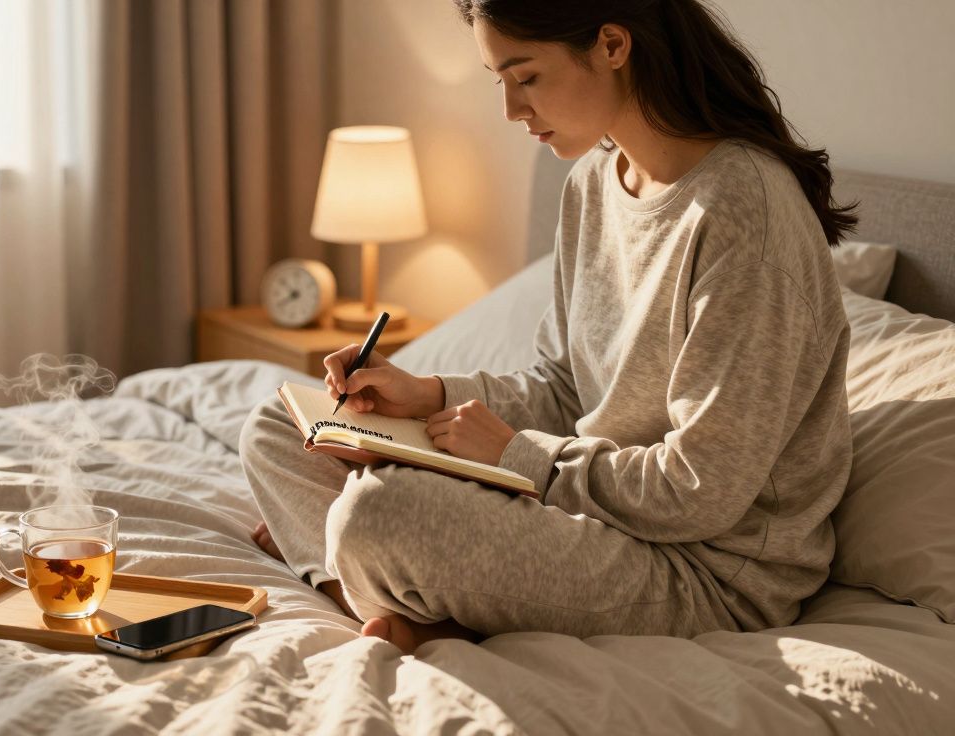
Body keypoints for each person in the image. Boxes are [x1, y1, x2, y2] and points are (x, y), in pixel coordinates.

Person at [240, 0, 856, 655]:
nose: (512, 109)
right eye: (499, 81)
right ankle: (374, 592)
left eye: (527, 77)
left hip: (704, 569)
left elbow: (699, 492)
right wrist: (428, 398)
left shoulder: (744, 215)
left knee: (376, 512)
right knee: (279, 427)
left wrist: (516, 456)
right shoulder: (593, 181)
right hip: (589, 508)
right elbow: (567, 387)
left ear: (612, 45)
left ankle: (360, 577)